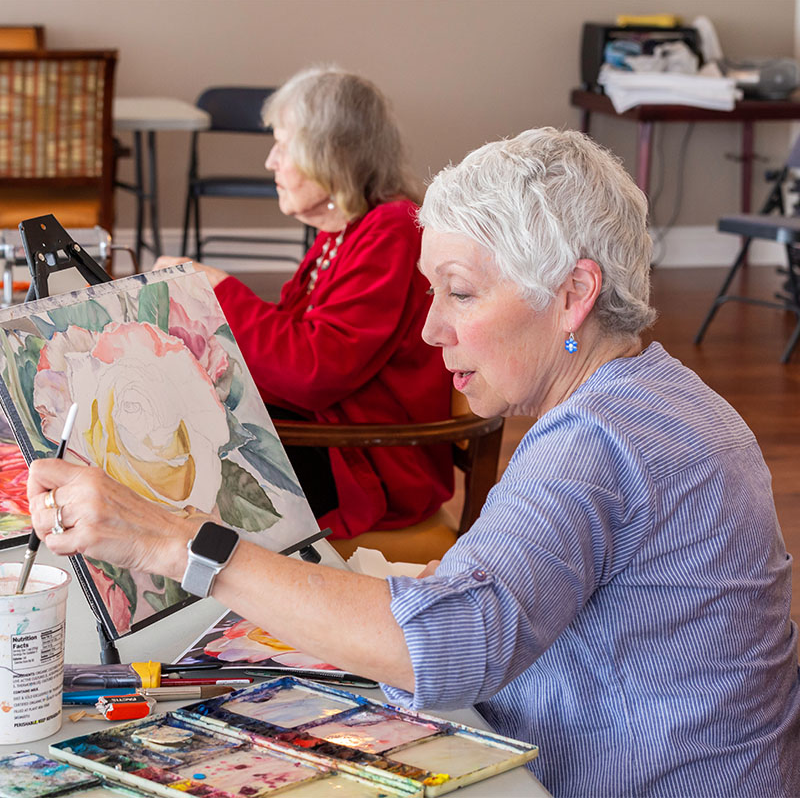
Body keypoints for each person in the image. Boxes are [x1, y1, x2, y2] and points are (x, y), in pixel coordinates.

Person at [29, 128, 800, 797]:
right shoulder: (663, 394)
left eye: (460, 293)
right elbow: (505, 592)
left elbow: (447, 645)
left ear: (573, 294)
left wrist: (176, 539)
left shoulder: (597, 439)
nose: (431, 329)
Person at [155, 66, 452, 542]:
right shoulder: (350, 230)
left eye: (283, 144)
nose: (271, 161)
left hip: (368, 464)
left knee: (174, 458)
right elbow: (295, 342)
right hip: (336, 439)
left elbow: (312, 370)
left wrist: (220, 288)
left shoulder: (392, 230)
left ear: (330, 153)